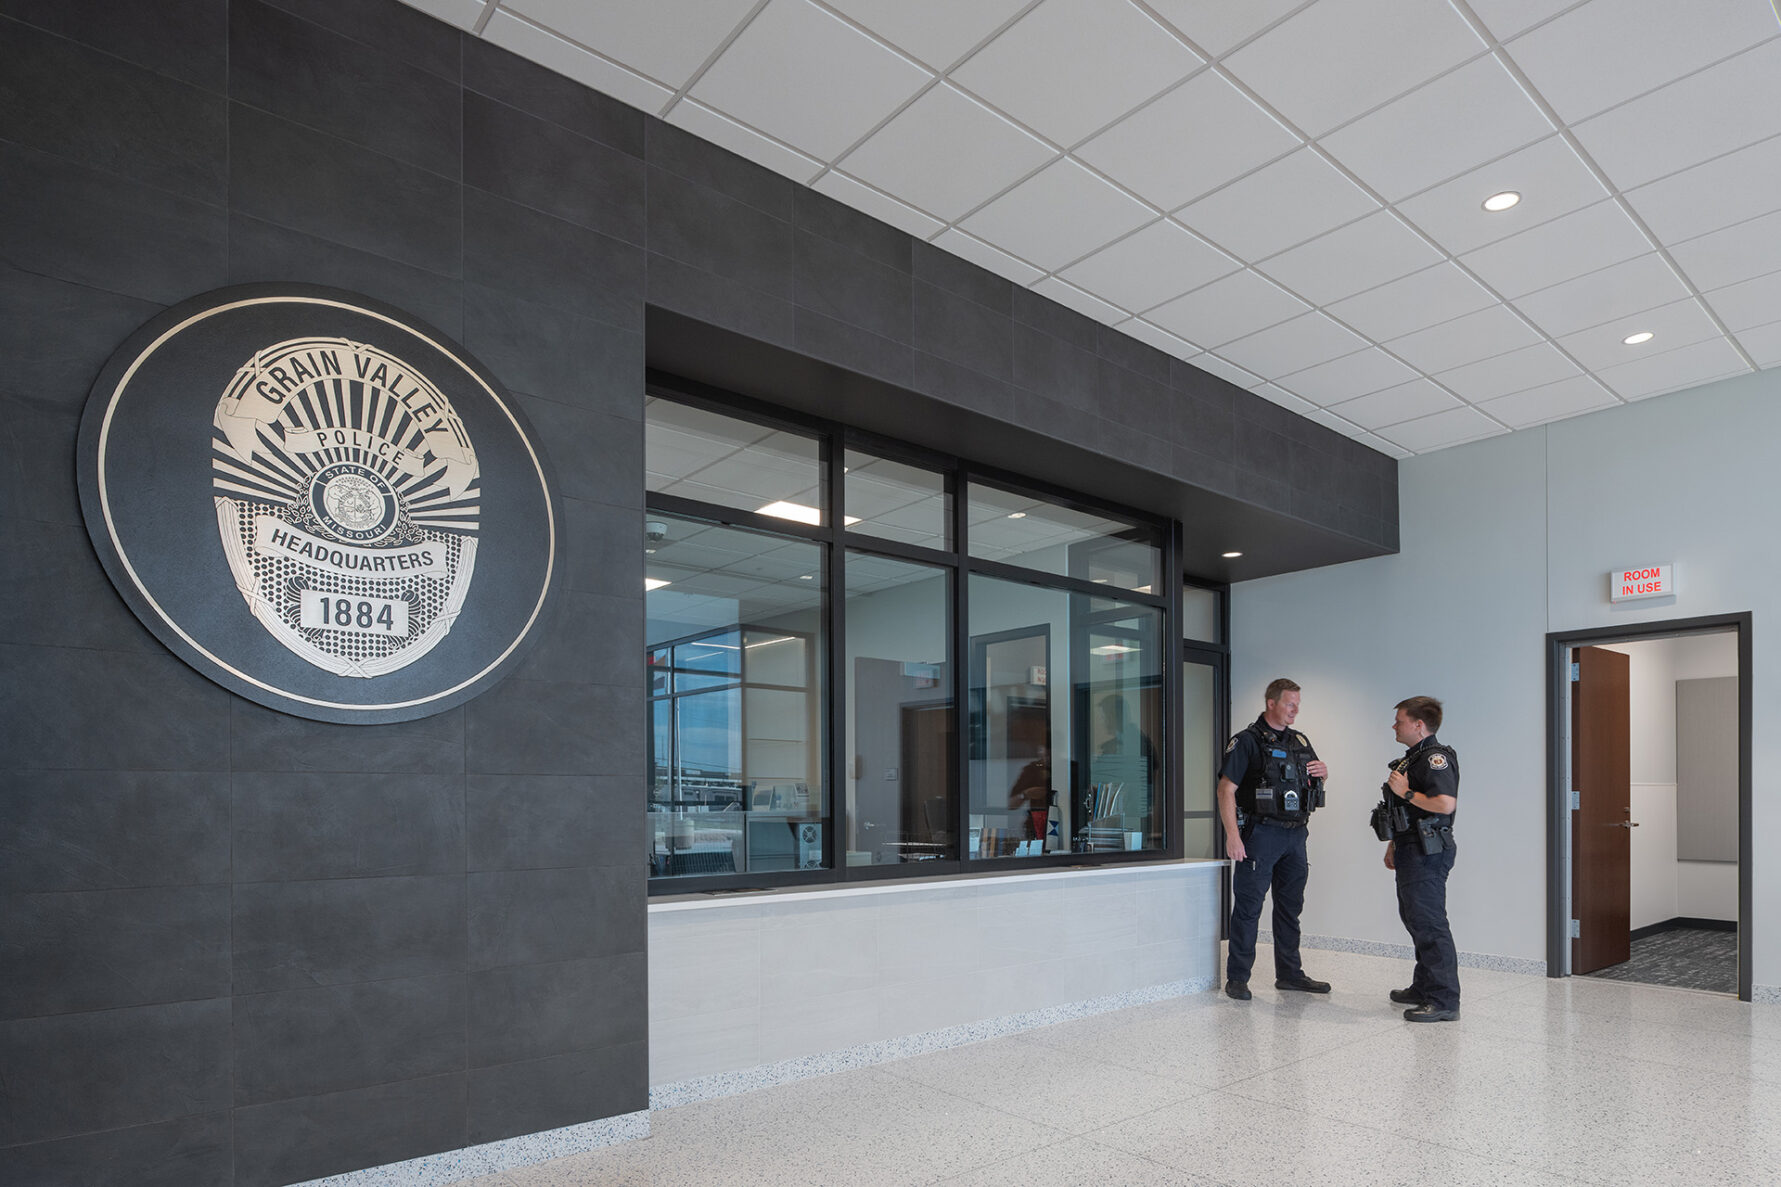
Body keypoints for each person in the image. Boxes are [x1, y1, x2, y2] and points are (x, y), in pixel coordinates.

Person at [1217, 678, 1331, 1001]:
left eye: (1298, 704)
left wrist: (1323, 772)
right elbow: (1226, 789)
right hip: (1261, 834)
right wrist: (1233, 836)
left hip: (1295, 835)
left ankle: (1290, 974)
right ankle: (1238, 977)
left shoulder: (1300, 741)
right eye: (1289, 703)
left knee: (1290, 908)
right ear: (1272, 703)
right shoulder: (1247, 742)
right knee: (1249, 907)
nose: (1295, 710)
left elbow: (1311, 779)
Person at [1381, 695, 1461, 1022]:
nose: (1394, 725)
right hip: (1410, 846)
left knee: (1430, 923)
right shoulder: (1412, 759)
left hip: (1428, 850)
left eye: (1399, 720)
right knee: (1414, 918)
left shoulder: (1435, 758)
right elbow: (1402, 809)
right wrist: (1392, 845)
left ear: (1418, 725)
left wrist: (1407, 793)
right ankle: (1424, 985)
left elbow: (1445, 804)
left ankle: (1444, 1001)